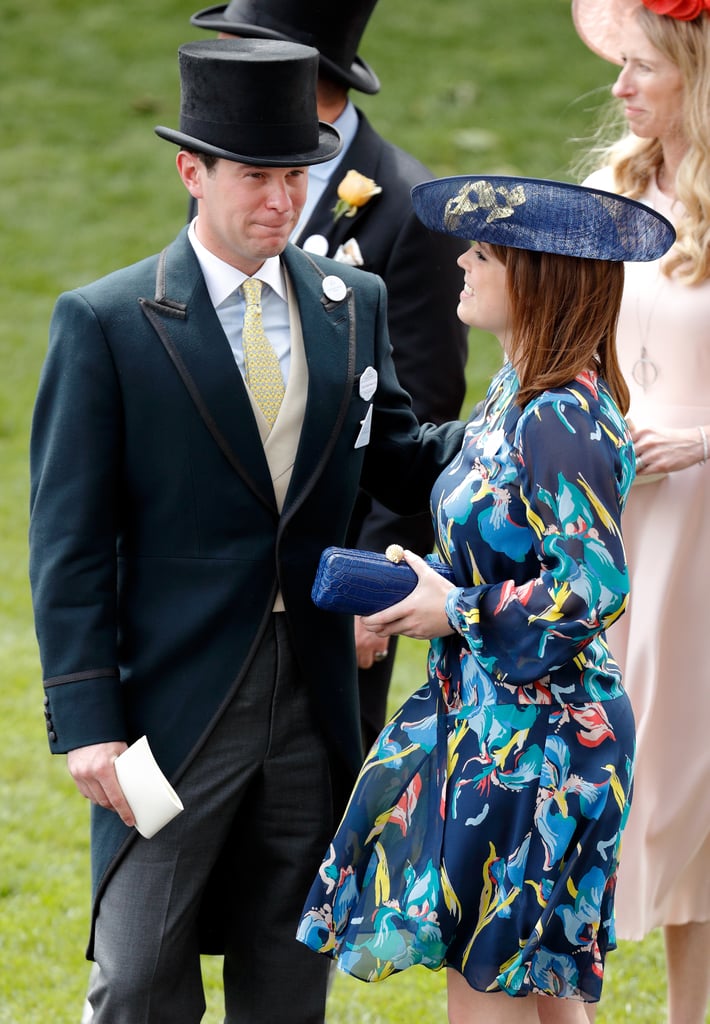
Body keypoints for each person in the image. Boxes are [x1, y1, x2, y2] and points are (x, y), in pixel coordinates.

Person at [28, 38, 465, 1024]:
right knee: (138, 967)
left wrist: (524, 424)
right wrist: (86, 717)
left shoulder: (352, 304)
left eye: (296, 175)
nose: (282, 199)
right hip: (172, 699)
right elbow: (68, 538)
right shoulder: (104, 323)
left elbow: (400, 455)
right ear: (193, 170)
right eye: (257, 176)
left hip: (317, 689)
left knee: (285, 966)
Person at [295, 174, 675, 1023]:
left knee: (488, 991)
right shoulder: (514, 395)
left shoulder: (557, 415)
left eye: (484, 252)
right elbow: (514, 545)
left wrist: (453, 611)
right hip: (505, 725)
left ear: (536, 279)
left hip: (537, 745)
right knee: (533, 992)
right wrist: (430, 575)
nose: (462, 262)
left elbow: (592, 585)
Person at [189, 0, 469, 751]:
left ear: (301, 64)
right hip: (216, 591)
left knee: (318, 820)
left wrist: (368, 594)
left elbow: (420, 413)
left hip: (332, 586)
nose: (220, 54)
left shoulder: (408, 207)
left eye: (241, 43)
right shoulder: (217, 162)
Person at [571, 2, 710, 1021]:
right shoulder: (606, 192)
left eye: (638, 69)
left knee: (692, 779)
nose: (616, 89)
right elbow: (555, 344)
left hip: (704, 527)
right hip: (619, 520)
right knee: (618, 770)